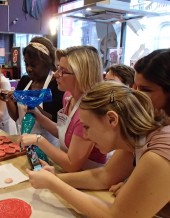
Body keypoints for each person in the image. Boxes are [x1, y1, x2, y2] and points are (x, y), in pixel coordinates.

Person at [25, 81, 170, 217]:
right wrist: (55, 177)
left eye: (87, 127)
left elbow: (116, 215)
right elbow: (104, 177)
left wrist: (52, 183)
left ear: (112, 119)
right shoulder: (132, 137)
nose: (86, 135)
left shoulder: (158, 155)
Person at [20, 46, 107, 172]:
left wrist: (39, 141)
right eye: (58, 68)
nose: (56, 75)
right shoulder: (68, 96)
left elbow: (72, 164)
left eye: (63, 71)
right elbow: (64, 133)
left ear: (81, 75)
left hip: (88, 176)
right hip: (67, 172)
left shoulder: (90, 112)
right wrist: (38, 115)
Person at [109, 49, 170, 197]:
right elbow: (107, 174)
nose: (135, 95)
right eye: (135, 87)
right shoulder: (145, 123)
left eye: (145, 89)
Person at [0, 36, 64, 146]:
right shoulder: (25, 81)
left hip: (48, 146)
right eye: (26, 64)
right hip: (25, 142)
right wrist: (8, 100)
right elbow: (17, 117)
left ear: (47, 63)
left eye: (33, 65)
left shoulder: (56, 86)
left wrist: (28, 101)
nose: (29, 68)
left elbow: (56, 123)